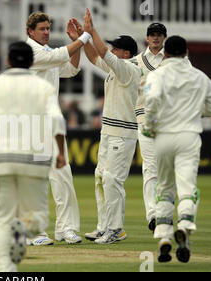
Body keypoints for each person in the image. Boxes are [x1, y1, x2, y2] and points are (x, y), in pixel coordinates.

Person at [0, 41, 67, 271]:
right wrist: (61, 151)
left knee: (3, 218)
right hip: (35, 156)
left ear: (9, 61)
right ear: (32, 62)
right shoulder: (43, 87)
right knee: (37, 218)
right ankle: (25, 231)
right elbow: (57, 120)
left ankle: (7, 268)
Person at [141, 35, 211, 263]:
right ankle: (185, 226)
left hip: (163, 136)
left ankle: (164, 237)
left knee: (164, 187)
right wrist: (193, 112)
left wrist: (150, 125)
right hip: (189, 135)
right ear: (186, 52)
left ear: (164, 53)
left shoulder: (156, 75)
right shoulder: (200, 76)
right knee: (187, 185)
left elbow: (152, 100)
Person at [25, 11, 91, 245]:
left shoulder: (49, 53)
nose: (46, 32)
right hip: (31, 123)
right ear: (30, 31)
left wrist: (77, 43)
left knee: (63, 175)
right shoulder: (29, 51)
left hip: (51, 123)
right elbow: (60, 56)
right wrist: (83, 37)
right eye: (41, 29)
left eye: (48, 28)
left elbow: (70, 69)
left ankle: (67, 228)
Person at [80, 9, 141, 244]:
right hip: (108, 132)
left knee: (112, 180)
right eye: (113, 47)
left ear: (126, 53)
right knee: (100, 178)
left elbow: (104, 54)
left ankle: (116, 229)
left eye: (117, 48)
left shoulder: (129, 69)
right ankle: (104, 226)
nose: (112, 50)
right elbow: (94, 57)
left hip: (122, 135)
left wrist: (91, 30)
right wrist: (82, 38)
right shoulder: (116, 69)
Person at [135, 23, 168, 232]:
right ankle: (153, 214)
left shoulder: (175, 60)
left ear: (164, 37)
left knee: (166, 168)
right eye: (152, 35)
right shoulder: (137, 61)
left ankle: (164, 210)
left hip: (168, 120)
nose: (155, 38)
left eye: (159, 35)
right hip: (144, 119)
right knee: (150, 167)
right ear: (147, 38)